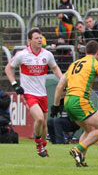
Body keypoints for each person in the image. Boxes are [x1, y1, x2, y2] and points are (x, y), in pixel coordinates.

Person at [52, 40, 98, 167]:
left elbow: (59, 86)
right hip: (80, 100)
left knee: (89, 129)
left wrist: (56, 106)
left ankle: (81, 160)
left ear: (85, 52)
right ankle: (78, 150)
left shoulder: (74, 64)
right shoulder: (94, 63)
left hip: (68, 101)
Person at [5, 28, 63, 157]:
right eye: (36, 38)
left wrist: (63, 80)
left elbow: (54, 67)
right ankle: (38, 144)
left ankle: (43, 146)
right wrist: (15, 84)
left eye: (40, 38)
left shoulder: (47, 54)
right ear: (29, 41)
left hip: (42, 93)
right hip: (29, 94)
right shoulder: (22, 54)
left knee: (44, 125)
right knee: (40, 118)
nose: (39, 40)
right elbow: (8, 68)